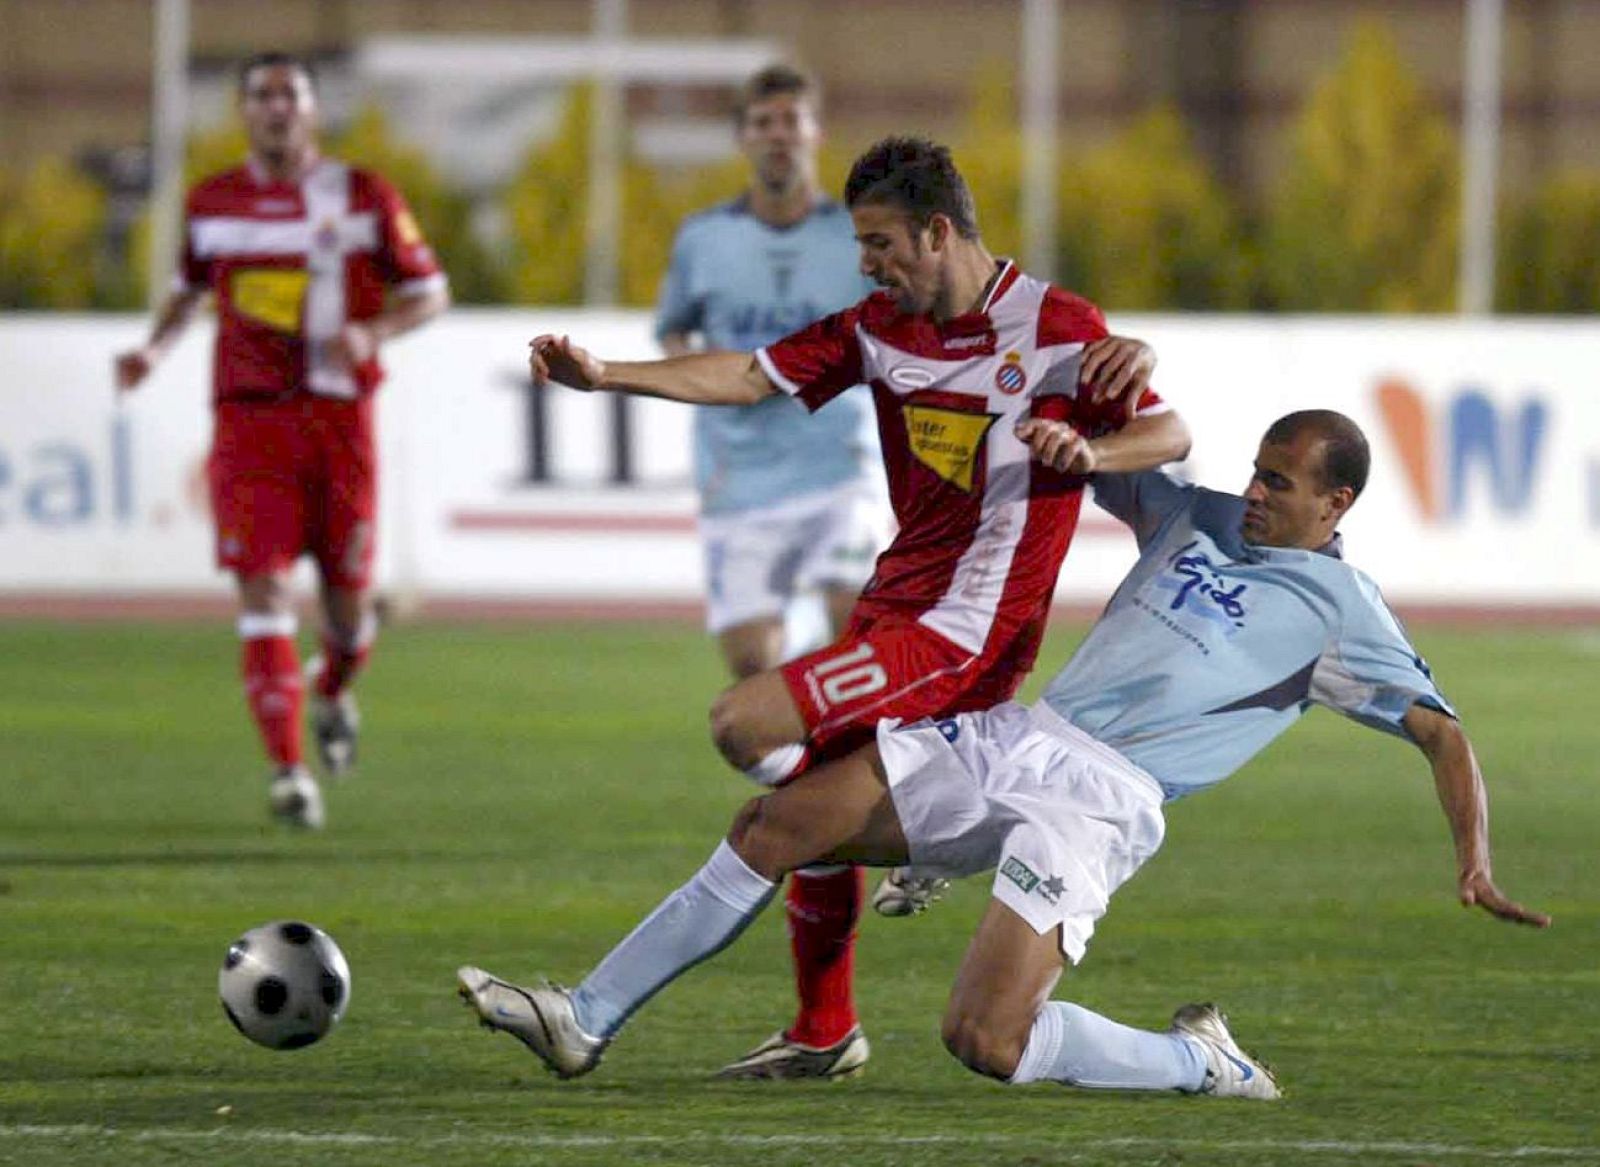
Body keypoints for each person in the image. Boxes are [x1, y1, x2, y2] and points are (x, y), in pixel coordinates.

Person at [456, 409, 1550, 1098]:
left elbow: (1441, 734)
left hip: (1103, 803)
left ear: (1337, 502)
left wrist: (1472, 859)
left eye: (1280, 484)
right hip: (1021, 736)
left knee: (982, 1038)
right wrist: (1086, 417)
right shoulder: (1203, 516)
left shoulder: (1344, 612)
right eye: (1258, 471)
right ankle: (583, 1018)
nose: (1255, 493)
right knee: (777, 822)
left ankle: (1196, 1063)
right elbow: (1105, 455)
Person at [512, 135, 1189, 1078]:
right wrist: (608, 375)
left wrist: (1090, 455)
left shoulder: (1059, 326)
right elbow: (750, 374)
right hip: (891, 615)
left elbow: (1169, 429)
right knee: (784, 824)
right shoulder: (879, 329)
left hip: (964, 635)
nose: (866, 264)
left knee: (744, 720)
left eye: (879, 243)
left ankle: (947, 827)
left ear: (938, 230)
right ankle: (744, 1023)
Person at [113, 52, 450, 829]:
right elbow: (188, 288)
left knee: (347, 612)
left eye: (289, 96)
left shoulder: (364, 195)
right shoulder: (211, 202)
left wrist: (373, 330)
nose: (276, 109)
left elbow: (431, 293)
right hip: (250, 420)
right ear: (243, 113)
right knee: (261, 587)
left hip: (339, 425)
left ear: (311, 110)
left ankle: (332, 687)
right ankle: (288, 768)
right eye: (261, 96)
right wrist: (152, 352)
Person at [656, 62, 883, 681]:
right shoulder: (702, 238)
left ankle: (851, 768)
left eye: (792, 121)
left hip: (839, 463)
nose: (778, 134)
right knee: (752, 667)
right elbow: (673, 328)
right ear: (743, 138)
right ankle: (798, 649)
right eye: (764, 123)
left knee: (853, 615)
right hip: (740, 476)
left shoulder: (857, 236)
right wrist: (712, 380)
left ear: (816, 134)